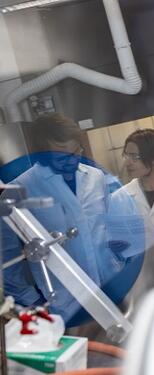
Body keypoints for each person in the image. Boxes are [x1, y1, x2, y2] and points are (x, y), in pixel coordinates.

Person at [1, 113, 127, 323]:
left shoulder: (95, 178)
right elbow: (7, 262)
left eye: (77, 151)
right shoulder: (18, 192)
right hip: (64, 307)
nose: (74, 161)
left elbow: (106, 227)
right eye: (63, 157)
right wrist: (36, 305)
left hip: (111, 291)